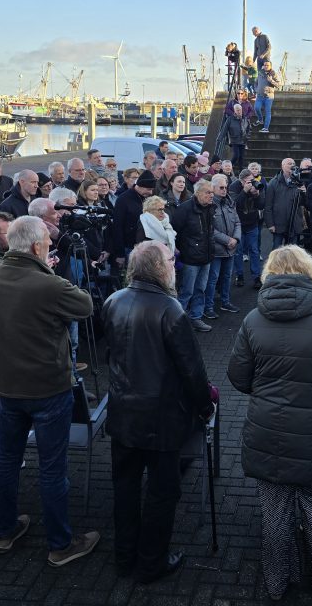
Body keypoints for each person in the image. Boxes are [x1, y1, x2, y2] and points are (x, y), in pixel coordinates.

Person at [228, 245, 312, 601]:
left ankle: (276, 583)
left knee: (274, 515)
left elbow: (238, 377)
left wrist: (266, 393)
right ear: (309, 271)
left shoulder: (252, 320)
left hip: (266, 436)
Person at [0, 216, 99, 566]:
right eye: (47, 240)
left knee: (6, 461)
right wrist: (49, 271)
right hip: (48, 388)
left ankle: (4, 531)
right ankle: (60, 544)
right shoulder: (49, 284)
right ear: (36, 246)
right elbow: (85, 306)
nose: (50, 244)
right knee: (51, 468)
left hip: (6, 386)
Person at [101, 241, 215, 582]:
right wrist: (205, 406)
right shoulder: (170, 309)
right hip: (160, 419)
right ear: (156, 267)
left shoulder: (113, 300)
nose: (175, 264)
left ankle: (125, 557)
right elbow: (192, 370)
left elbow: (113, 355)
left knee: (125, 487)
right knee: (162, 492)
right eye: (170, 259)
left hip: (123, 413)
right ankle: (151, 563)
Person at [170, 180, 215, 332]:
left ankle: (196, 318)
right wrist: (182, 251)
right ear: (198, 193)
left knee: (200, 290)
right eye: (208, 192)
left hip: (206, 257)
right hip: (190, 259)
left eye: (212, 192)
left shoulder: (211, 207)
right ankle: (177, 323)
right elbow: (174, 231)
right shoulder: (184, 209)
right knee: (186, 291)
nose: (211, 195)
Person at [204, 175, 241, 318]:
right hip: (217, 249)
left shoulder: (229, 202)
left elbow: (237, 222)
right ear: (213, 188)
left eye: (225, 187)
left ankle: (225, 302)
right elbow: (209, 229)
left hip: (230, 248)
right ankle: (208, 307)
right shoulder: (208, 204)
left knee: (227, 277)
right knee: (212, 279)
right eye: (221, 187)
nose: (224, 190)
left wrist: (236, 239)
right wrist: (227, 240)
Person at [111, 169, 157, 267]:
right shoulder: (123, 199)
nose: (150, 192)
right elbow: (117, 227)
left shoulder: (148, 198)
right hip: (129, 247)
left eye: (152, 189)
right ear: (139, 186)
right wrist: (120, 253)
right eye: (148, 189)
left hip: (147, 246)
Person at [230, 169, 264, 289]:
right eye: (249, 181)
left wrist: (257, 195)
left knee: (254, 251)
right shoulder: (234, 187)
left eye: (253, 180)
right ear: (242, 181)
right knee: (238, 251)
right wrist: (244, 191)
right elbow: (235, 205)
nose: (252, 182)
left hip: (252, 224)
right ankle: (239, 275)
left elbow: (261, 205)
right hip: (238, 225)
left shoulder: (256, 185)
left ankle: (256, 277)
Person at [264, 159, 305, 250]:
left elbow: (303, 203)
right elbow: (268, 206)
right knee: (277, 251)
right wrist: (270, 224)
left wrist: (304, 193)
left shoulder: (299, 182)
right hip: (278, 224)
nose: (292, 165)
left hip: (294, 224)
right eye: (289, 164)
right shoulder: (273, 183)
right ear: (282, 166)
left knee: (293, 252)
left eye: (293, 163)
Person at [255, 61, 280, 134]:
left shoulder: (273, 74)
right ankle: (260, 120)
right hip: (259, 96)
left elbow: (278, 85)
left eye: (267, 65)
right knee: (256, 108)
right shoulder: (260, 72)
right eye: (265, 65)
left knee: (267, 112)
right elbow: (256, 82)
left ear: (270, 66)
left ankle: (266, 128)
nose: (266, 66)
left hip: (268, 97)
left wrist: (271, 80)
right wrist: (256, 89)